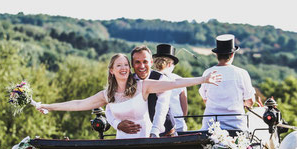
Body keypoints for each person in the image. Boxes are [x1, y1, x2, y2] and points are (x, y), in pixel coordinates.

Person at [36, 53, 221, 139]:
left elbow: (173, 84)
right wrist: (48, 106)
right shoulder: (106, 95)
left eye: (126, 65)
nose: (124, 68)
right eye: (119, 65)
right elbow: (78, 104)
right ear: (111, 70)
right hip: (122, 141)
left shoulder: (142, 86)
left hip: (145, 139)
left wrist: (203, 79)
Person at [106, 45, 176, 137]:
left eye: (145, 62)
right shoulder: (127, 81)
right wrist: (117, 124)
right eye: (137, 62)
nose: (142, 66)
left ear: (151, 62)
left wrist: (155, 130)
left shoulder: (161, 80)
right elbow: (109, 108)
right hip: (139, 134)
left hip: (165, 132)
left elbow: (162, 108)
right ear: (132, 64)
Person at [200, 34, 255, 130]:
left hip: (210, 125)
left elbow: (205, 100)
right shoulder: (242, 73)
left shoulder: (207, 73)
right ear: (232, 54)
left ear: (216, 54)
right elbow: (250, 101)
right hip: (236, 125)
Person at [153, 44, 188, 132]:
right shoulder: (179, 79)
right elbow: (184, 110)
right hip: (178, 124)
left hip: (155, 126)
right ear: (169, 64)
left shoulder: (149, 78)